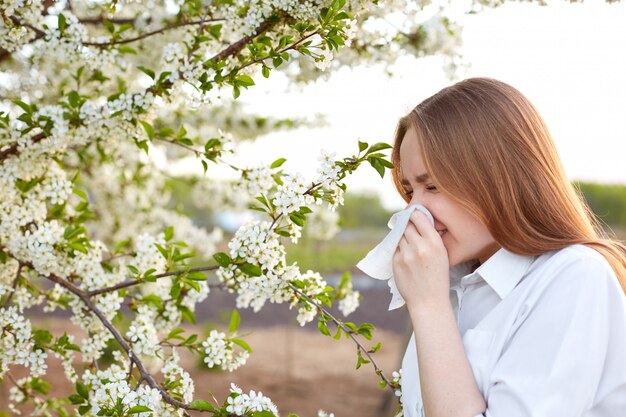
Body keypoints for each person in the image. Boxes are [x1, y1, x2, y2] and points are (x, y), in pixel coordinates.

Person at [390, 77, 626, 417]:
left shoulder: (574, 277)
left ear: (498, 177)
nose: (415, 211)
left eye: (434, 186)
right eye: (410, 191)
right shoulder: (454, 284)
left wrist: (429, 307)